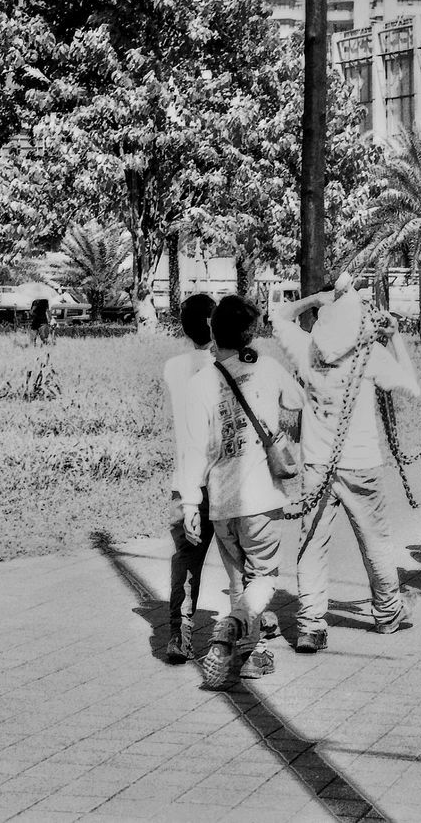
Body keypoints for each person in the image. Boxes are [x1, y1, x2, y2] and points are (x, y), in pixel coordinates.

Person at [272, 278, 420, 651]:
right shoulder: (369, 355)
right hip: (362, 464)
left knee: (313, 544)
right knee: (375, 541)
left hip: (317, 467)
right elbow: (410, 388)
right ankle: (388, 612)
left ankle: (309, 624)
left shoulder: (307, 350)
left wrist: (314, 299)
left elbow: (279, 316)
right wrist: (396, 337)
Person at [179, 294, 305, 691]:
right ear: (252, 333)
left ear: (213, 333)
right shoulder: (266, 367)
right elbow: (297, 401)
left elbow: (194, 449)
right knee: (264, 576)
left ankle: (250, 657)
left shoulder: (199, 383)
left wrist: (190, 506)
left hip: (220, 501)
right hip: (262, 499)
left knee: (239, 580)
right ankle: (231, 628)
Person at [162, 294, 245, 664]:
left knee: (187, 557)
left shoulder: (173, 367)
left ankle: (179, 634)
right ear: (215, 323)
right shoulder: (226, 365)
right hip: (223, 476)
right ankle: (249, 623)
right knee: (240, 555)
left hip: (187, 479)